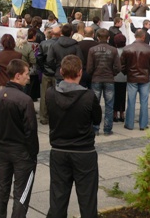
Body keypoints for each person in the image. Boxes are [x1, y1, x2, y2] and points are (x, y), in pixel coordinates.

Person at [46, 55, 101, 218]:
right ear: (80, 72)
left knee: (58, 198)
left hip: (59, 150)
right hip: (83, 151)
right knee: (87, 200)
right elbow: (96, 119)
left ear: (61, 71)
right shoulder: (89, 96)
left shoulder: (50, 94)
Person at [0, 59, 38, 218]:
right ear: (17, 76)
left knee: (1, 190)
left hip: (3, 150)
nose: (28, 78)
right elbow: (30, 130)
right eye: (26, 74)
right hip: (21, 152)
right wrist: (33, 154)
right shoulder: (25, 100)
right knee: (21, 194)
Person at [121, 29, 150, 130]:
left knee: (131, 101)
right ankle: (143, 124)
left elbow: (122, 65)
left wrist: (127, 73)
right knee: (144, 102)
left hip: (132, 77)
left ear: (135, 36)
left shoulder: (127, 49)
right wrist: (148, 73)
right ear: (143, 37)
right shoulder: (149, 49)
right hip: (144, 78)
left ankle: (129, 124)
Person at [86, 28, 120, 135]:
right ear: (109, 38)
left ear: (97, 37)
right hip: (109, 79)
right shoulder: (114, 50)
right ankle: (107, 129)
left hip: (96, 79)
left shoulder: (92, 50)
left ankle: (95, 128)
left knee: (95, 105)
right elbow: (118, 67)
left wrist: (93, 74)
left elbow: (89, 68)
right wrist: (112, 73)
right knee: (109, 105)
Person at [37, 26, 60, 125]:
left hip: (46, 72)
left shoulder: (43, 44)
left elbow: (39, 58)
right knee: (57, 95)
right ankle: (55, 116)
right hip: (56, 72)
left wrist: (43, 68)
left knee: (44, 96)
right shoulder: (59, 44)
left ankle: (43, 116)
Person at [113, 33, 128, 123]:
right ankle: (122, 113)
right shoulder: (127, 51)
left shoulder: (114, 51)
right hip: (124, 76)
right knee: (122, 95)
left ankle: (115, 113)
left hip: (115, 76)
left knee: (114, 95)